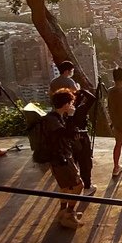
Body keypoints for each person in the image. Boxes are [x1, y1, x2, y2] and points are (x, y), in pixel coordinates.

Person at [37, 90, 85, 229]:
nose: (72, 105)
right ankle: (69, 213)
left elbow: (65, 135)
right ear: (65, 104)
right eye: (70, 103)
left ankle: (63, 212)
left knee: (65, 187)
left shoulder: (56, 117)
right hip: (60, 157)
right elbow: (64, 133)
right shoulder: (53, 119)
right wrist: (70, 116)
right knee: (78, 185)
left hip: (59, 156)